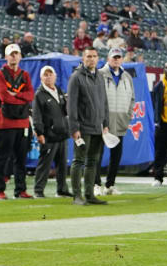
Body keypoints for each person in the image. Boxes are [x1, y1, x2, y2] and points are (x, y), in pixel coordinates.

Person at [68, 47, 110, 205]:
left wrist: (105, 124)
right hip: (83, 127)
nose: (91, 59)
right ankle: (77, 196)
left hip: (97, 127)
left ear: (98, 58)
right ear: (83, 58)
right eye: (88, 56)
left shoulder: (99, 76)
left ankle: (89, 195)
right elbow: (71, 106)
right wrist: (74, 128)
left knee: (93, 161)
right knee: (78, 161)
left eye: (94, 56)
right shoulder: (76, 77)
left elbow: (104, 102)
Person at [0, 44, 34, 200]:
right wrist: (21, 98)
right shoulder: (0, 73)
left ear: (20, 56)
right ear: (6, 57)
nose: (14, 56)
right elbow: (3, 97)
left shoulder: (25, 74)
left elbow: (30, 95)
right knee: (2, 157)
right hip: (5, 123)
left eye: (16, 54)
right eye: (11, 54)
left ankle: (20, 190)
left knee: (21, 159)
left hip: (22, 123)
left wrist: (15, 95)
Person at [94, 48, 135, 196]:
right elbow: (95, 98)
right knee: (97, 154)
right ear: (108, 59)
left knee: (116, 155)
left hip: (120, 121)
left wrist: (127, 116)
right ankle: (96, 184)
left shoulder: (127, 77)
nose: (116, 60)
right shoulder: (99, 74)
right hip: (102, 121)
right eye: (114, 57)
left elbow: (132, 99)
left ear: (122, 59)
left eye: (119, 57)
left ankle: (110, 185)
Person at [32, 66, 72, 198]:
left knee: (62, 165)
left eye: (50, 74)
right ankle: (38, 190)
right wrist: (40, 133)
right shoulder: (39, 94)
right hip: (49, 135)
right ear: (41, 78)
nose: (48, 77)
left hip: (62, 133)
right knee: (45, 164)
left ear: (55, 76)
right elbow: (37, 116)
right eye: (45, 75)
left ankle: (62, 189)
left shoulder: (59, 91)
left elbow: (65, 111)